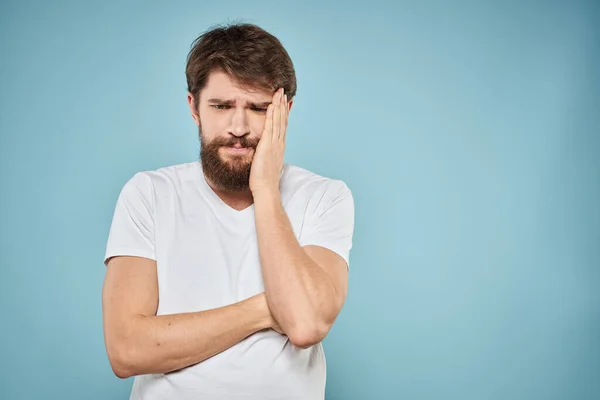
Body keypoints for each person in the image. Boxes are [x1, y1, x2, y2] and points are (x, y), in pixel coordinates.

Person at [102, 22, 355, 400]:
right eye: (221, 106)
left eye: (257, 108)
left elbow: (303, 324)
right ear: (194, 108)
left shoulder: (325, 196)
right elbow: (126, 350)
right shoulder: (149, 194)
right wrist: (265, 309)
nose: (238, 127)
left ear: (284, 111)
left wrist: (266, 188)